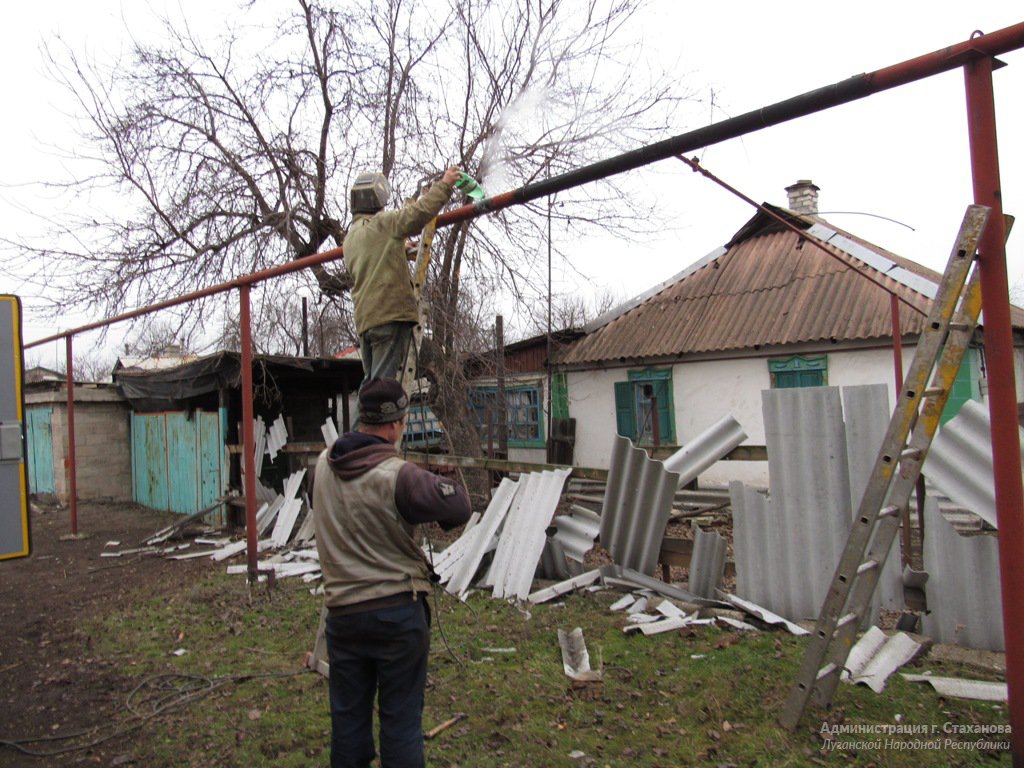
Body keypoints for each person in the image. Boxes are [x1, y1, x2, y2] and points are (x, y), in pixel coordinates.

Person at [312, 377, 471, 768]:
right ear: (397, 425)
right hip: (397, 616)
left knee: (348, 721)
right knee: (400, 721)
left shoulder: (322, 464)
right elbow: (460, 507)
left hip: (343, 617)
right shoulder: (399, 475)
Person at [343, 166, 461, 385]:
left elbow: (373, 259)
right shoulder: (383, 223)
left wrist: (399, 248)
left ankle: (368, 419)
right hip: (388, 315)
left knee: (370, 385)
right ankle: (381, 420)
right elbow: (418, 214)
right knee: (381, 390)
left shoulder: (351, 238)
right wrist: (445, 184)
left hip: (366, 320)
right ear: (376, 201)